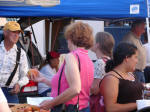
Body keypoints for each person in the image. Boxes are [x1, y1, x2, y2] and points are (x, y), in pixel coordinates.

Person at [29, 22, 94, 112]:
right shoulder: (88, 59)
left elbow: (75, 89)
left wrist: (51, 103)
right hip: (83, 107)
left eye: (67, 38)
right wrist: (43, 79)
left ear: (71, 37)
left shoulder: (71, 56)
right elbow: (64, 85)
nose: (66, 41)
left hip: (69, 108)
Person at [99, 42, 144, 112]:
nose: (137, 61)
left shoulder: (131, 74)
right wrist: (139, 105)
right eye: (135, 57)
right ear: (127, 58)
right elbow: (111, 108)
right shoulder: (111, 78)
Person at [0, 21, 29, 103]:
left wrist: (19, 85)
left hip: (10, 94)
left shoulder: (21, 53)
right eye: (13, 32)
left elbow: (25, 75)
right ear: (5, 33)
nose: (16, 35)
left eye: (18, 32)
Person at [90, 32, 115, 112]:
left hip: (99, 104)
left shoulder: (100, 62)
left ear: (98, 44)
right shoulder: (109, 60)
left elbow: (95, 89)